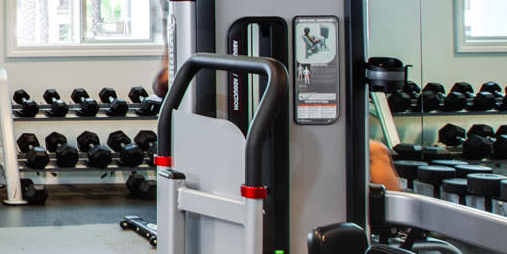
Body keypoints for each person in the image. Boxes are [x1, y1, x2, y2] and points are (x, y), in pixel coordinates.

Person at [154, 53, 400, 189]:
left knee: (376, 151)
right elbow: (161, 85)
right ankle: (395, 228)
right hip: (249, 134)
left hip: (293, 127)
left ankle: (392, 229)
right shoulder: (190, 47)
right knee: (375, 151)